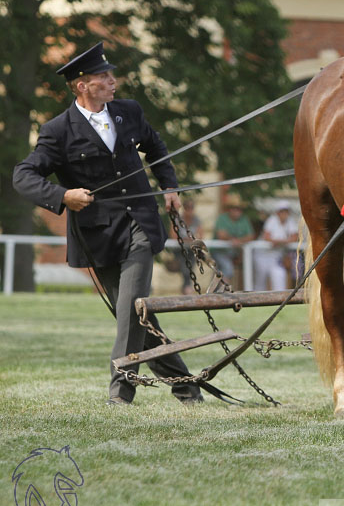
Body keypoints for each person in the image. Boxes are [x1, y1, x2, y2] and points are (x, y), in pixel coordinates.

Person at [12, 42, 204, 406]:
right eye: (104, 76)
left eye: (110, 75)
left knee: (132, 306)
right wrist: (62, 196)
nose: (113, 81)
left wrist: (169, 186)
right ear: (82, 85)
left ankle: (121, 393)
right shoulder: (57, 131)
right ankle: (186, 386)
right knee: (133, 313)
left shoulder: (129, 112)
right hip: (98, 236)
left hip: (141, 225)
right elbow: (23, 175)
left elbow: (156, 145)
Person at [254, 200, 299, 291]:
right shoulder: (272, 220)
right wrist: (284, 242)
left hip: (276, 256)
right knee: (260, 279)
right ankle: (256, 301)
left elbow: (295, 237)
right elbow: (267, 237)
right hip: (262, 255)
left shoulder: (290, 222)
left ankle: (279, 300)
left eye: (286, 211)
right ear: (277, 212)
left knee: (279, 275)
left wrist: (278, 242)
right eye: (282, 211)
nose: (284, 214)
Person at [212, 193, 255, 286]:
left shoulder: (244, 219)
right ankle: (224, 294)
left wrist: (238, 241)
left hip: (234, 253)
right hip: (219, 252)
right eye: (235, 208)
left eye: (239, 209)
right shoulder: (222, 218)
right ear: (229, 209)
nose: (237, 211)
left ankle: (219, 294)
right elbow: (221, 235)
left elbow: (251, 236)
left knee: (222, 272)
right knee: (227, 269)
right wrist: (234, 240)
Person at [171, 197, 202, 295]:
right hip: (179, 249)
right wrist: (188, 240)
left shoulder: (197, 220)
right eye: (187, 207)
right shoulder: (177, 219)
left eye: (191, 207)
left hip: (191, 250)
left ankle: (186, 288)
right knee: (185, 268)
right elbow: (173, 235)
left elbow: (201, 235)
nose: (189, 210)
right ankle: (187, 288)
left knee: (189, 268)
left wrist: (190, 240)